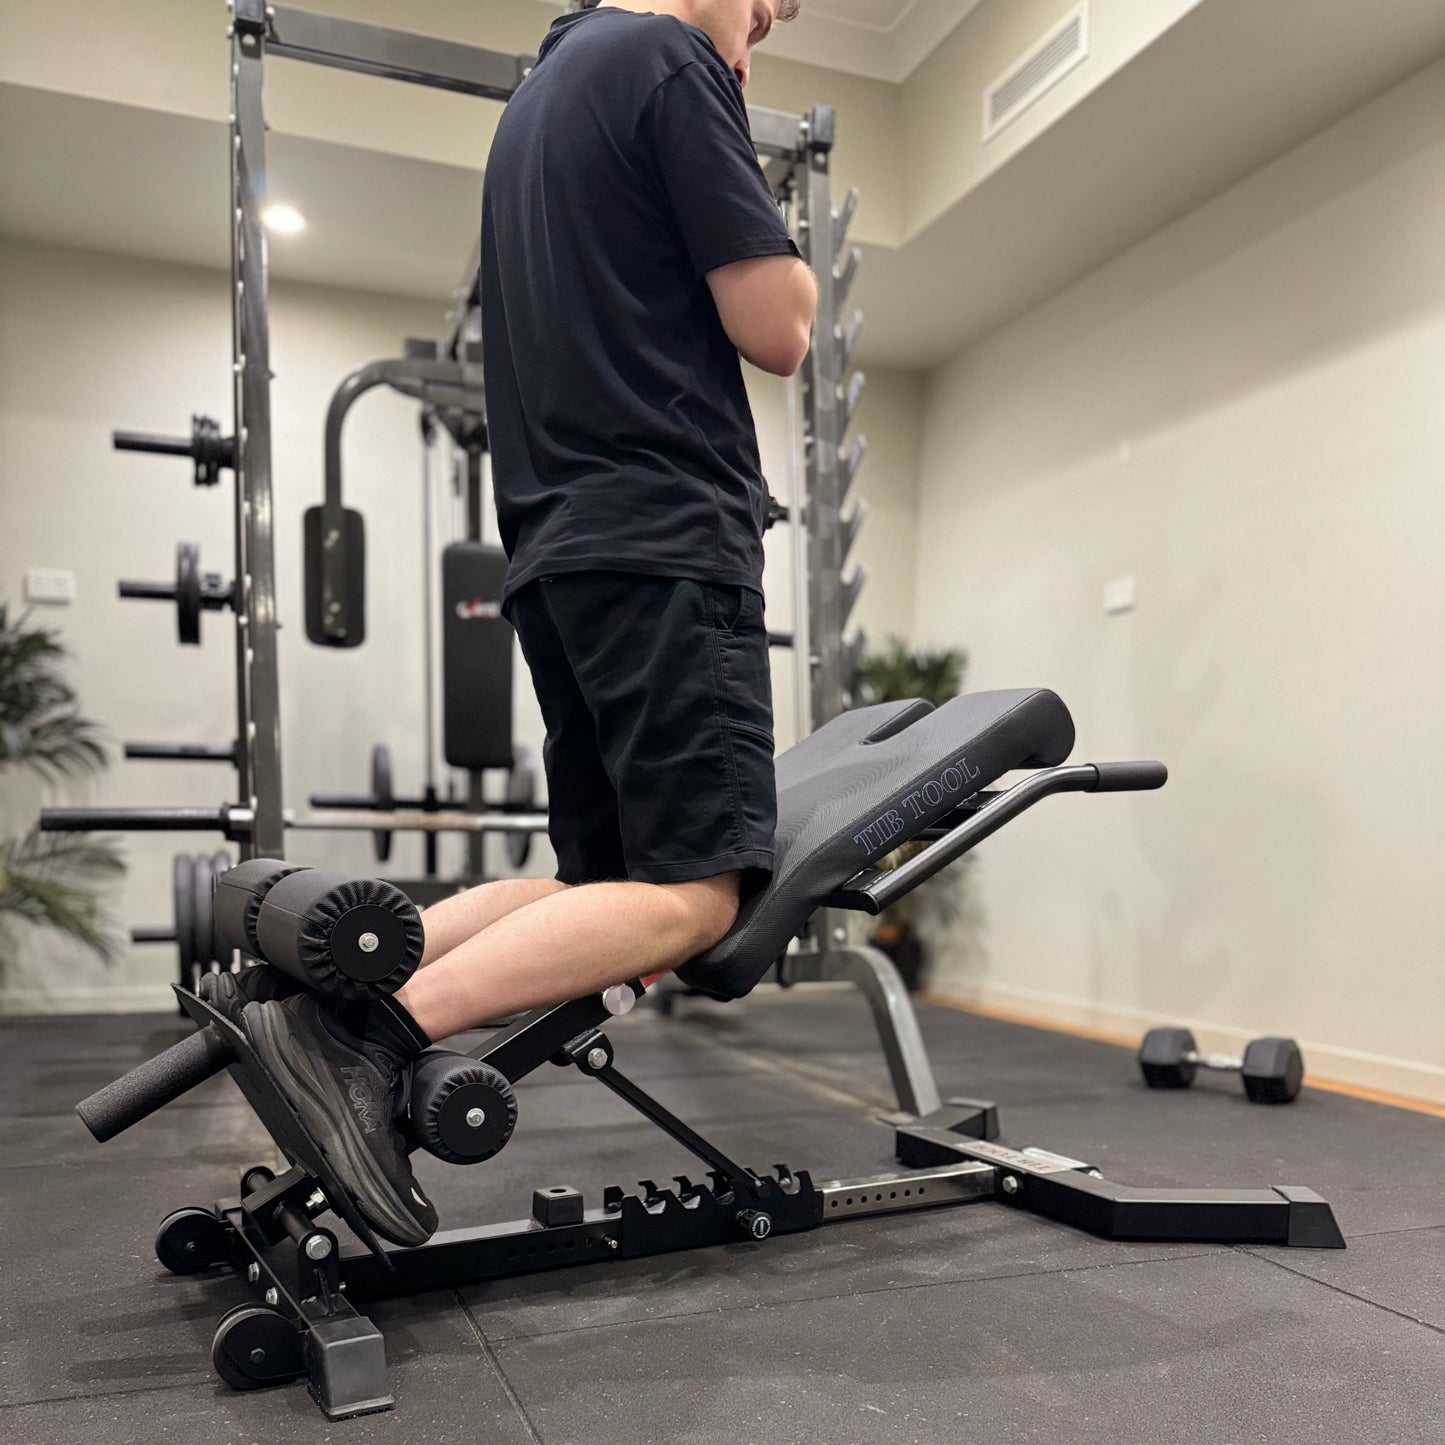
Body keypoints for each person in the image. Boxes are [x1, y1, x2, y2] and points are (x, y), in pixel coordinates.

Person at [244, 0, 818, 1248]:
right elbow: (777, 325)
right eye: (764, 8)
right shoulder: (667, 61)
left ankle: (335, 987)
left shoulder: (542, 97)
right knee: (694, 897)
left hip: (562, 552)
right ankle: (362, 1039)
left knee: (603, 888)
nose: (760, 33)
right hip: (665, 540)